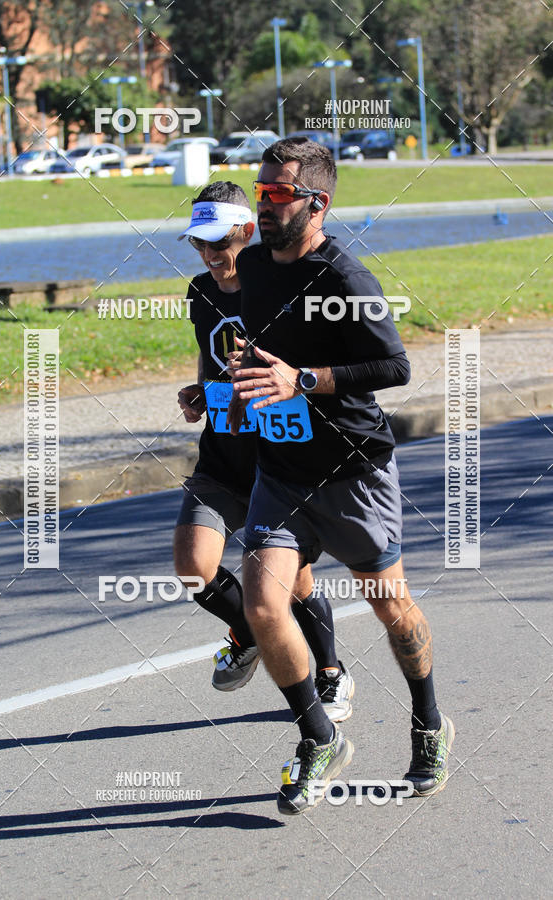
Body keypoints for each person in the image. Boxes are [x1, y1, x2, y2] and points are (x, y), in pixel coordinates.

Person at [227, 138, 454, 815]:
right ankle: (318, 736)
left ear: (316, 204)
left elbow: (394, 369)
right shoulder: (251, 267)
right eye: (259, 190)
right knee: (263, 605)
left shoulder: (345, 281)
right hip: (283, 471)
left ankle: (430, 722)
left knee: (392, 608)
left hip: (353, 472)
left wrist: (303, 379)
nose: (260, 205)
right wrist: (221, 386)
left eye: (275, 194)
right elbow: (256, 348)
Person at [173, 180, 354, 722]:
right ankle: (253, 632)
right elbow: (214, 362)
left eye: (220, 244)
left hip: (279, 460)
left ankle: (329, 672)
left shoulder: (277, 286)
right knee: (192, 567)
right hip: (222, 457)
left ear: (247, 232)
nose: (209, 256)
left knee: (294, 586)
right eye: (199, 245)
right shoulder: (199, 292)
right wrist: (201, 393)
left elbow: (309, 371)